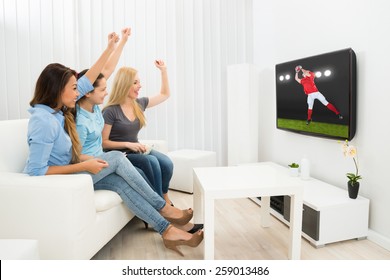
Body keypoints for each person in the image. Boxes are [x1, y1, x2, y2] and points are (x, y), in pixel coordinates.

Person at [23, 35, 203, 256]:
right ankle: (164, 207)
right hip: (64, 179)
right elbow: (36, 171)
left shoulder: (59, 110)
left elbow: (99, 73)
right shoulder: (43, 121)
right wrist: (82, 166)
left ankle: (167, 231)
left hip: (77, 170)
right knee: (117, 157)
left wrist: (111, 48)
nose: (77, 92)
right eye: (73, 88)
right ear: (56, 90)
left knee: (121, 183)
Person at [75, 29, 202, 235]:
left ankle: (166, 225)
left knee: (158, 164)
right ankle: (164, 209)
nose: (106, 92)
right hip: (100, 161)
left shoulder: (96, 108)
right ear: (86, 92)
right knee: (139, 164)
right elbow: (78, 155)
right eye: (101, 89)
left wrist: (120, 43)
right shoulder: (88, 115)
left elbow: (108, 69)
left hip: (103, 160)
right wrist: (122, 148)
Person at [101, 61, 174, 206]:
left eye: (139, 82)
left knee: (167, 163)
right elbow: (104, 142)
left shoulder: (139, 103)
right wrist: (128, 144)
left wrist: (163, 71)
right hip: (120, 154)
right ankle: (160, 206)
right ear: (124, 84)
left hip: (136, 149)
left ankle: (163, 196)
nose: (139, 86)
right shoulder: (110, 111)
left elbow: (165, 94)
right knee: (151, 162)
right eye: (135, 82)